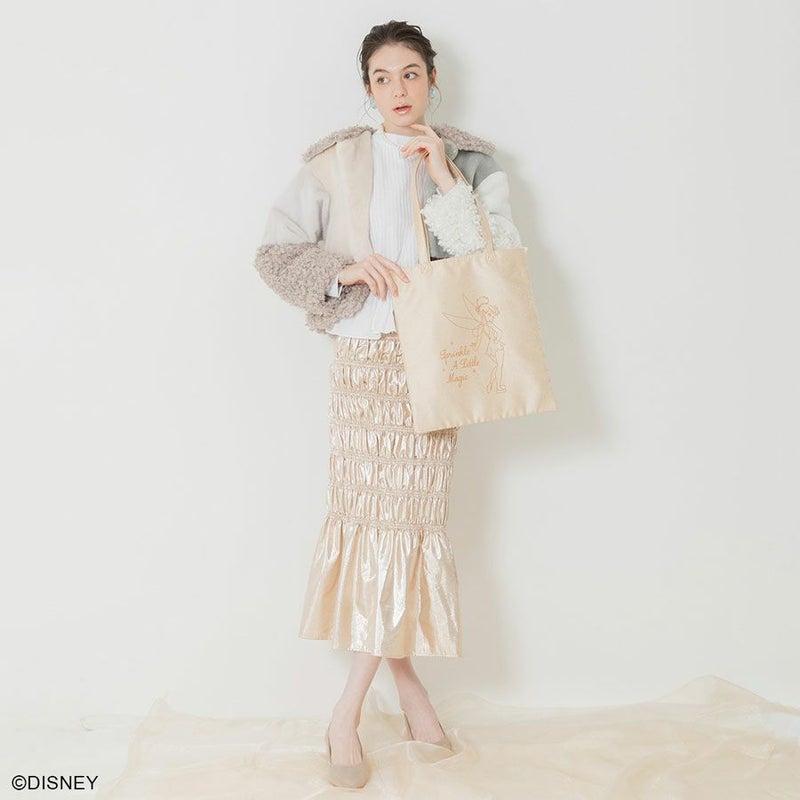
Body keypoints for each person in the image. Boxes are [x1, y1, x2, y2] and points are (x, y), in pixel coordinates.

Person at [253, 19, 523, 789]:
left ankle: (350, 710)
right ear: (367, 89)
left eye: (410, 74)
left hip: (440, 362)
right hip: (364, 364)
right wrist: (344, 270)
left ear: (433, 80)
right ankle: (403, 695)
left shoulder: (470, 161)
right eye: (382, 77)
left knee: (409, 525)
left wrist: (443, 175)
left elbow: (496, 260)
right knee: (374, 524)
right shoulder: (337, 159)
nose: (397, 89)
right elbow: (274, 252)